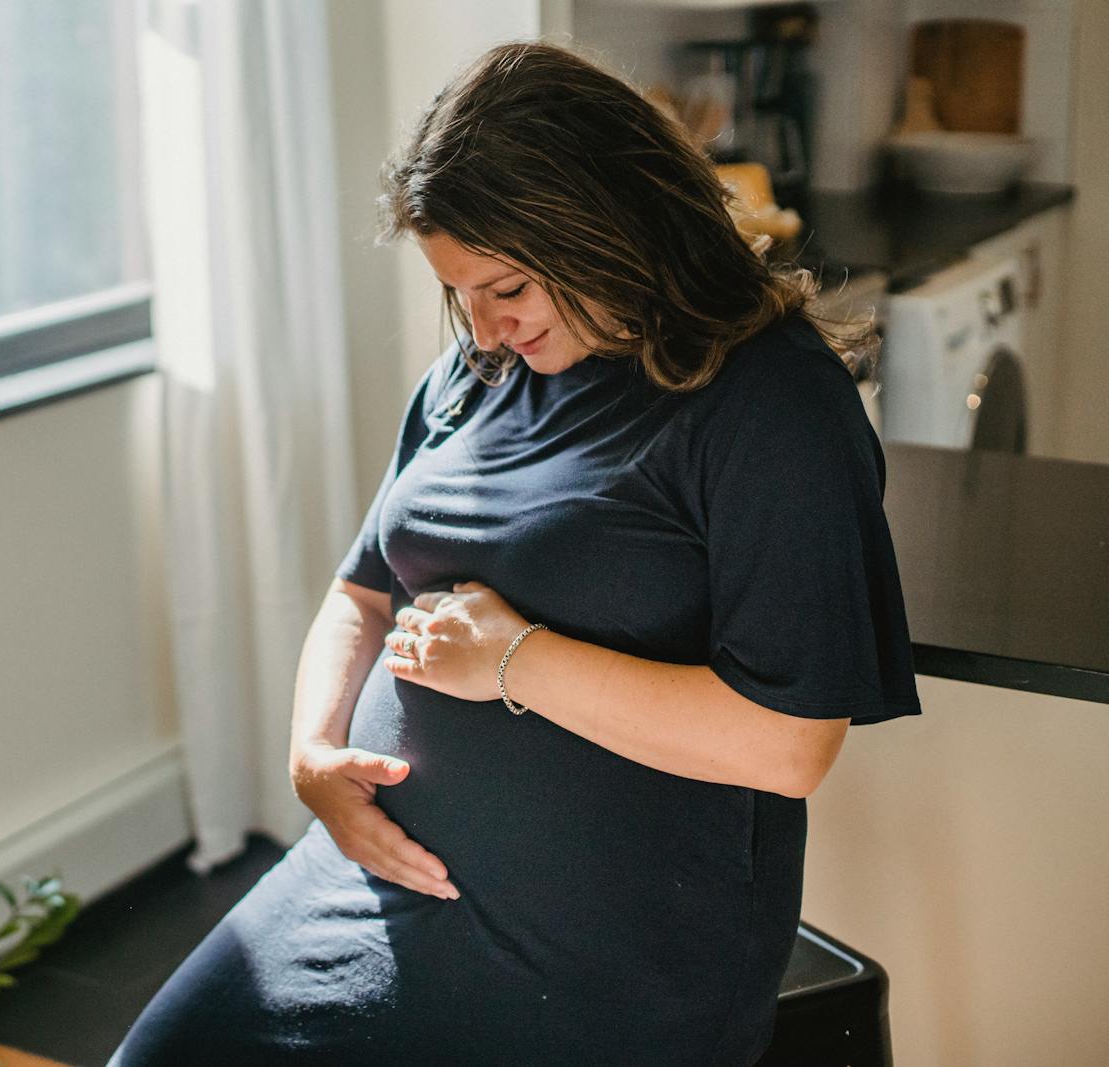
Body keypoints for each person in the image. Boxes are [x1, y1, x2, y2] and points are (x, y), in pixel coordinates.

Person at [108, 40, 921, 1066]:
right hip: (375, 878)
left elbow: (789, 742)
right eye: (463, 297)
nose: (486, 329)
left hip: (605, 950)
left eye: (508, 289)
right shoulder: (479, 370)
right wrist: (311, 755)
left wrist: (512, 656)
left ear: (606, 229)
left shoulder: (767, 401)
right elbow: (363, 592)